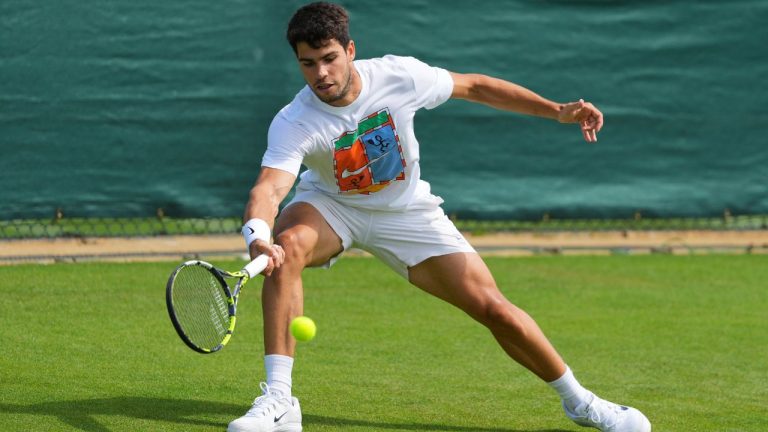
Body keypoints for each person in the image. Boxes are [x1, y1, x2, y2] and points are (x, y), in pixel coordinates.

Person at [229, 2, 651, 432]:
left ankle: (582, 404)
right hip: (333, 208)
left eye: (330, 59)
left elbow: (476, 87)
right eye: (308, 63)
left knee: (494, 309)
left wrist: (555, 110)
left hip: (406, 211)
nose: (321, 73)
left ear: (350, 50)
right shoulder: (295, 120)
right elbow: (270, 187)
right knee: (284, 250)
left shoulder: (399, 76)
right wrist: (257, 233)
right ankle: (280, 401)